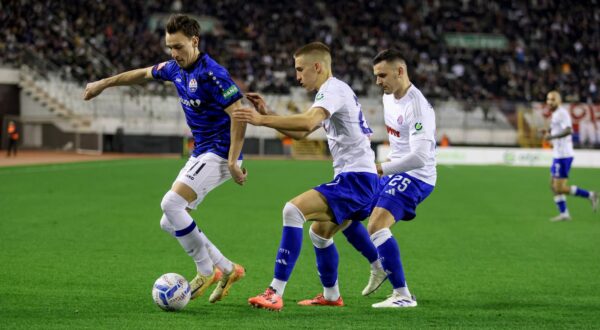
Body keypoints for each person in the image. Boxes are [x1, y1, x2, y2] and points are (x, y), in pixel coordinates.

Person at [83, 14, 247, 303]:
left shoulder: (213, 73)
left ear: (195, 42)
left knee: (171, 203)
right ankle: (227, 268)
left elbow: (240, 115)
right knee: (169, 221)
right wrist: (103, 83)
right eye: (170, 47)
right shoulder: (174, 69)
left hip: (221, 151)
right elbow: (141, 74)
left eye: (179, 47)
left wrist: (233, 161)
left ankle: (205, 270)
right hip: (202, 152)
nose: (174, 53)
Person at [234, 42, 383, 311]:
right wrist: (269, 115)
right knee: (319, 234)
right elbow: (303, 132)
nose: (297, 76)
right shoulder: (333, 93)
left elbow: (306, 123)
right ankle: (332, 294)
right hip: (362, 178)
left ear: (318, 67)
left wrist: (260, 120)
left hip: (356, 180)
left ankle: (274, 292)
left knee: (292, 210)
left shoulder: (332, 90)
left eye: (300, 69)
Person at [367, 49, 437, 308]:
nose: (378, 81)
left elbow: (419, 157)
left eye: (382, 75)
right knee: (349, 208)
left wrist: (381, 168)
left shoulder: (417, 107)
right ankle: (379, 266)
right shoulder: (389, 97)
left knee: (376, 225)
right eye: (375, 76)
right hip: (394, 170)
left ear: (400, 71)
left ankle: (403, 295)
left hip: (417, 175)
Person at [543, 90, 598, 222]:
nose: (549, 102)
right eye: (548, 99)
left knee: (559, 187)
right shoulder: (556, 113)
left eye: (552, 99)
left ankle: (590, 195)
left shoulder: (561, 113)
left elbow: (568, 130)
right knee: (553, 185)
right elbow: (558, 130)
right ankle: (564, 214)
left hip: (564, 155)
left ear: (559, 101)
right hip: (558, 154)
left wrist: (552, 136)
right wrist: (549, 133)